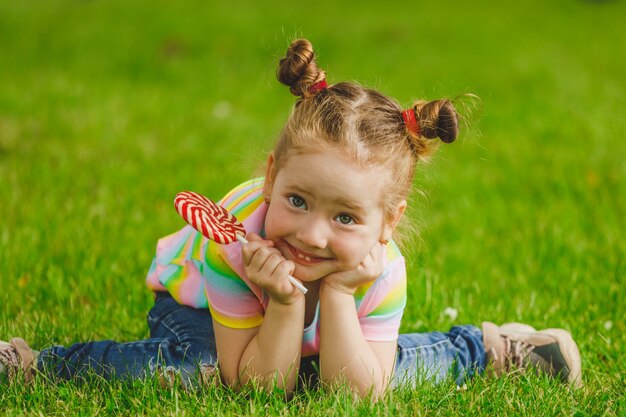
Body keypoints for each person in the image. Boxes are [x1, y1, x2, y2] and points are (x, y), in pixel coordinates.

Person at [0, 39, 581, 398]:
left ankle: (490, 350)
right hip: (201, 314)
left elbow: (352, 396)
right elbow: (255, 387)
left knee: (376, 373)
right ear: (273, 177)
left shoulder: (381, 270)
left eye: (346, 216)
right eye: (297, 201)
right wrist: (280, 301)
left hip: (316, 321)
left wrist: (335, 299)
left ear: (388, 222)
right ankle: (34, 366)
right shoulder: (234, 242)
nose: (310, 234)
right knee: (201, 372)